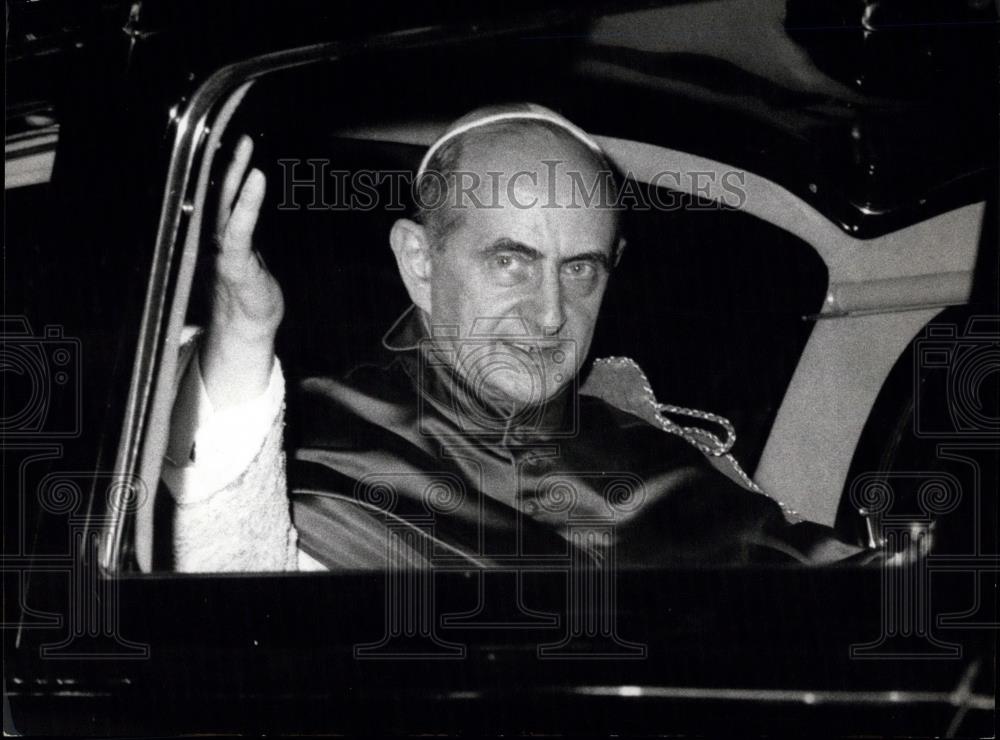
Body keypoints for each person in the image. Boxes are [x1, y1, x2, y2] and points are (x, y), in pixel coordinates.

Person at [162, 103, 859, 572]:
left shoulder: (664, 468)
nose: (551, 315)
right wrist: (246, 335)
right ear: (420, 264)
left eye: (580, 269)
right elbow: (233, 591)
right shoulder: (317, 449)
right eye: (509, 262)